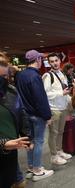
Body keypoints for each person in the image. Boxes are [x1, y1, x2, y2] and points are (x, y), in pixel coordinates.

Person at [16, 49, 54, 181]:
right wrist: (47, 116)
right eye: (40, 59)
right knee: (38, 141)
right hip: (37, 115)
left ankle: (31, 167)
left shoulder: (20, 75)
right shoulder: (35, 76)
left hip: (25, 114)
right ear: (37, 60)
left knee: (31, 141)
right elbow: (40, 99)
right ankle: (37, 169)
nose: (41, 62)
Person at [0, 51, 31, 188]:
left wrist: (27, 137)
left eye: (5, 76)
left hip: (10, 152)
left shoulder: (11, 90)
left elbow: (21, 112)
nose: (3, 80)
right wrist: (2, 144)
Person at [42, 53, 72, 165]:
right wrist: (61, 93)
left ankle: (59, 151)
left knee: (60, 132)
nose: (55, 63)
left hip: (63, 107)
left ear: (60, 61)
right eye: (52, 61)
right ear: (49, 63)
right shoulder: (47, 76)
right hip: (53, 109)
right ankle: (53, 156)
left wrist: (69, 100)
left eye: (56, 60)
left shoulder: (61, 74)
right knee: (53, 133)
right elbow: (45, 93)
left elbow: (65, 90)